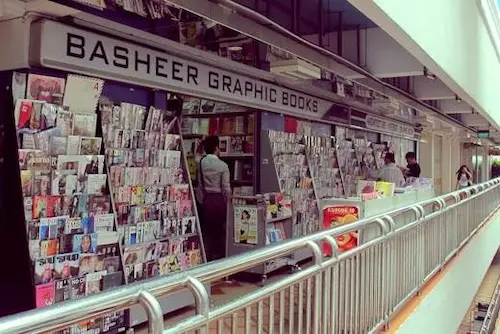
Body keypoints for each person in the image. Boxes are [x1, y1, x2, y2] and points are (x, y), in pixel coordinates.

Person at [198, 136, 231, 261]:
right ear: (217, 148)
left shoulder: (201, 163)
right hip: (218, 201)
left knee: (208, 231)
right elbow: (226, 188)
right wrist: (229, 202)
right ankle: (222, 257)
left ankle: (207, 257)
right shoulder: (223, 166)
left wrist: (201, 201)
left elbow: (200, 185)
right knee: (220, 230)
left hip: (206, 200)